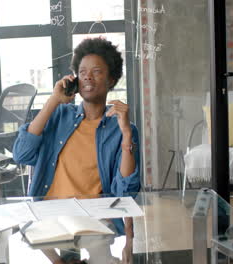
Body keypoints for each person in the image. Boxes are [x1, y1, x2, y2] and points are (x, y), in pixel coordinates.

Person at [12, 37, 140, 263]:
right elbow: (22, 154)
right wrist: (54, 100)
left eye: (97, 71)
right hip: (49, 216)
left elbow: (126, 191)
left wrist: (127, 134)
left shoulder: (121, 127)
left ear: (111, 79)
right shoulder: (59, 115)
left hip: (94, 219)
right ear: (75, 80)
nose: (88, 76)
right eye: (82, 72)